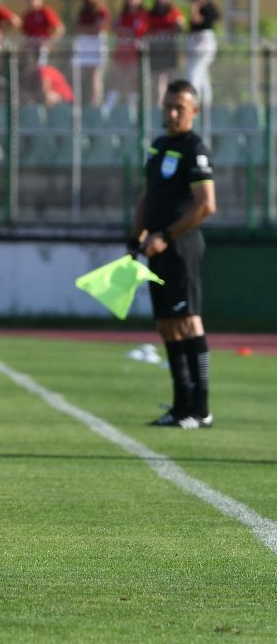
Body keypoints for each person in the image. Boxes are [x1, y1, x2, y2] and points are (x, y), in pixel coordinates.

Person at [130, 79, 216, 428]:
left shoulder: (195, 148)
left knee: (188, 322)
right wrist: (135, 238)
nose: (172, 112)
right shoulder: (158, 146)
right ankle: (181, 407)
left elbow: (206, 206)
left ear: (194, 110)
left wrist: (166, 235)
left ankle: (202, 408)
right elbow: (147, 195)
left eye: (180, 106)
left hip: (181, 248)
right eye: (168, 106)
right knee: (167, 326)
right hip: (156, 247)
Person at [104, 0, 148, 113]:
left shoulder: (142, 15)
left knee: (134, 82)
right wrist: (124, 32)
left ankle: (131, 109)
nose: (132, 0)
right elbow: (115, 28)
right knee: (117, 80)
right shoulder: (122, 15)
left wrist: (124, 32)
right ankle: (107, 110)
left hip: (135, 52)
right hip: (121, 51)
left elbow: (137, 32)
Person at [72, 0, 110, 107]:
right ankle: (80, 104)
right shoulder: (82, 11)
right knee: (81, 78)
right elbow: (75, 27)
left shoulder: (102, 11)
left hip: (96, 47)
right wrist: (86, 29)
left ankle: (95, 106)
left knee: (95, 78)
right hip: (82, 47)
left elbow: (96, 30)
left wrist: (84, 29)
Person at [185, 0, 220, 113]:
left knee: (194, 74)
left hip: (204, 41)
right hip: (198, 40)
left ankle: (194, 105)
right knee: (202, 75)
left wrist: (195, 6)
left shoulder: (207, 7)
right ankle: (205, 106)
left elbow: (196, 19)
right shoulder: (204, 5)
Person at [147, 0, 184, 106]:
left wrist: (176, 26)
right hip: (156, 49)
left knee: (171, 77)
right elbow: (147, 29)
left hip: (169, 49)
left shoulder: (174, 12)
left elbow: (179, 27)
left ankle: (173, 102)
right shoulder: (151, 14)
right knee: (159, 78)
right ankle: (159, 104)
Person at [20, 0, 64, 67]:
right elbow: (26, 33)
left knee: (42, 70)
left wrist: (49, 42)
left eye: (33, 0)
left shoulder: (46, 11)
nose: (31, 3)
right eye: (29, 0)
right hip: (31, 49)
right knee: (31, 70)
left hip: (42, 49)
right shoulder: (27, 15)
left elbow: (59, 29)